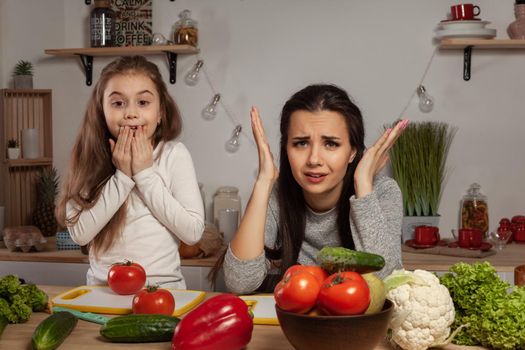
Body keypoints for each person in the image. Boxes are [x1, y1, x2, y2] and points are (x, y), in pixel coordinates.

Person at [220, 84, 407, 294]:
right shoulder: (276, 194)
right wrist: (264, 180)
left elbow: (389, 282)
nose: (314, 159)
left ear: (353, 151)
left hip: (355, 323)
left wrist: (363, 184)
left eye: (331, 144)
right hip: (296, 319)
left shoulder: (382, 192)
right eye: (301, 143)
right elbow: (239, 282)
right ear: (286, 148)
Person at [56, 56, 204, 289]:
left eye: (143, 102)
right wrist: (123, 177)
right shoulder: (90, 155)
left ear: (161, 112)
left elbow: (193, 232)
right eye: (118, 103)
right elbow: (80, 234)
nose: (131, 113)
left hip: (164, 291)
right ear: (101, 111)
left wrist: (144, 174)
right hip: (101, 292)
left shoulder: (174, 154)